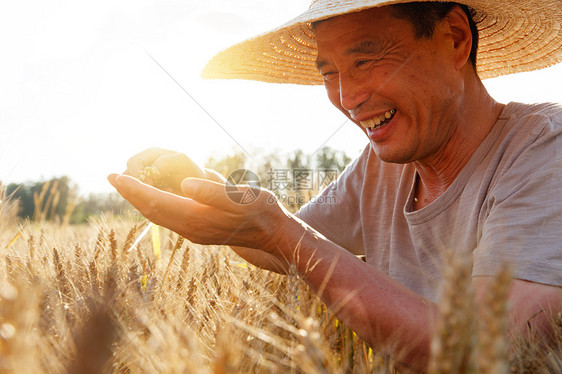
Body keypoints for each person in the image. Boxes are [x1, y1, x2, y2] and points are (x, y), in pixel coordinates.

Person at [108, 0, 562, 371]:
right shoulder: (382, 165)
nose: (347, 99)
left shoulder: (545, 151)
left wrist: (282, 233)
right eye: (329, 73)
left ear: (455, 39)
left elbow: (487, 351)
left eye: (365, 60)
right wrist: (199, 183)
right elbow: (278, 241)